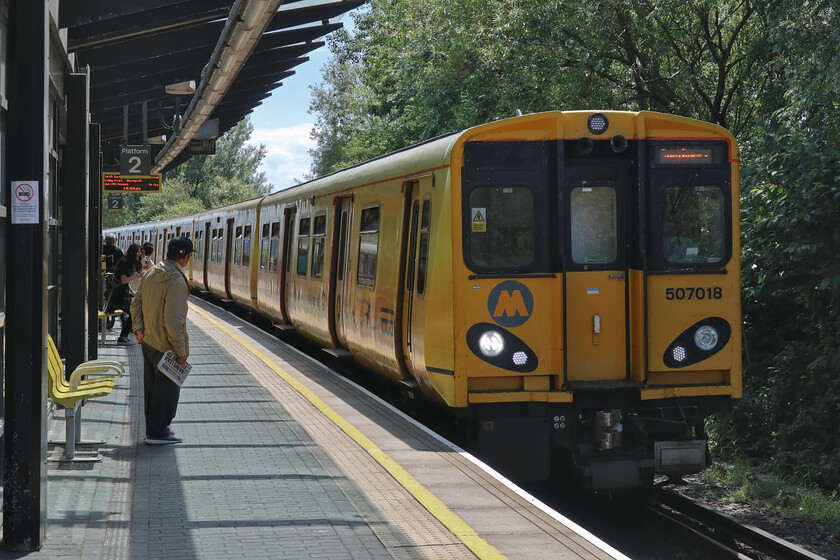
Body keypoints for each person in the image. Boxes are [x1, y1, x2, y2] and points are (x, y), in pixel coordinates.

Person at [131, 236, 196, 445]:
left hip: (149, 340)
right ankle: (159, 431)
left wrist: (139, 328)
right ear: (185, 257)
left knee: (152, 386)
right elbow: (174, 320)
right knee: (167, 388)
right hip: (166, 346)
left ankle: (154, 428)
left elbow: (136, 302)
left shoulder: (152, 272)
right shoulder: (176, 280)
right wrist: (181, 350)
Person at [107, 243, 143, 344]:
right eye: (138, 253)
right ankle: (122, 337)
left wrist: (133, 293)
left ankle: (123, 336)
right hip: (118, 295)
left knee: (134, 313)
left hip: (122, 293)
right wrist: (137, 276)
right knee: (134, 313)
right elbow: (123, 280)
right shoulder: (125, 263)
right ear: (134, 253)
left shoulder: (125, 262)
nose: (139, 255)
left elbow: (125, 284)